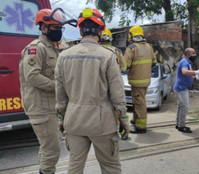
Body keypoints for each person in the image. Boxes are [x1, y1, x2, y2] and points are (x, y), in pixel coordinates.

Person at [55, 8, 130, 174]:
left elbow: (60, 96)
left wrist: (61, 118)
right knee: (110, 167)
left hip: (73, 121)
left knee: (74, 167)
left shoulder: (63, 56)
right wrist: (124, 118)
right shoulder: (108, 55)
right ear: (101, 31)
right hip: (102, 124)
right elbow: (118, 94)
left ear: (80, 30)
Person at [19, 8, 77, 174]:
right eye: (55, 28)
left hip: (50, 106)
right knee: (52, 149)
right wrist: (60, 86)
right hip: (41, 107)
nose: (58, 32)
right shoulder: (36, 48)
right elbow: (33, 77)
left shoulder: (52, 48)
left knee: (49, 147)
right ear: (43, 28)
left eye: (60, 28)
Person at [124, 25, 157, 134]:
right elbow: (154, 62)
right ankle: (136, 120)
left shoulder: (132, 47)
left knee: (139, 103)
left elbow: (126, 64)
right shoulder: (148, 46)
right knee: (138, 101)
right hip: (146, 80)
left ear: (132, 35)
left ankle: (141, 127)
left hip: (136, 80)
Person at [174, 48, 199, 133]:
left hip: (181, 88)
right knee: (185, 107)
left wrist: (194, 77)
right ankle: (181, 126)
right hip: (181, 89)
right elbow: (184, 72)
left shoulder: (187, 62)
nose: (195, 55)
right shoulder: (185, 62)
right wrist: (196, 72)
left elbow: (186, 75)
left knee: (180, 106)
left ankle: (178, 124)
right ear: (188, 54)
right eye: (193, 53)